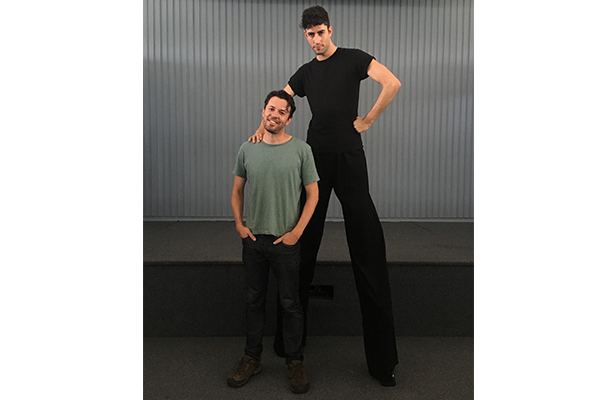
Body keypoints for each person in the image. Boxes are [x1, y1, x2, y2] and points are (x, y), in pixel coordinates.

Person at [250, 5, 401, 386]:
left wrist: (368, 120)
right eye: (310, 34)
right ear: (305, 36)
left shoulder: (354, 59)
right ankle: (288, 344)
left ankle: (382, 362)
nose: (316, 39)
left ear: (330, 30)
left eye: (320, 32)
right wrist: (261, 128)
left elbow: (392, 83)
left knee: (368, 247)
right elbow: (279, 102)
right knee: (301, 243)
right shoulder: (305, 73)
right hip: (314, 160)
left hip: (349, 158)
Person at [229, 90, 320, 394]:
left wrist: (297, 232)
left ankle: (295, 362)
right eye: (271, 109)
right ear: (263, 111)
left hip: (286, 243)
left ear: (289, 119)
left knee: (290, 304)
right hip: (254, 241)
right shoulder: (247, 149)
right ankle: (251, 358)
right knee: (254, 301)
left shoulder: (302, 150)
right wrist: (239, 225)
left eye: (282, 112)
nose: (275, 115)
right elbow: (237, 190)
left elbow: (314, 195)